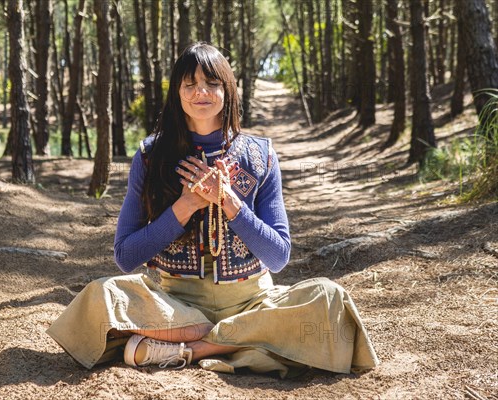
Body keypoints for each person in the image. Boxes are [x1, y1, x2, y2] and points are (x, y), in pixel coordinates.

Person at [47, 42, 379, 377]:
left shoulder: (260, 155)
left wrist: (230, 202)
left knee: (330, 298)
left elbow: (278, 257)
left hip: (253, 302)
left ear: (228, 89)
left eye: (211, 83)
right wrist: (186, 205)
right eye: (189, 84)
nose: (200, 92)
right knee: (100, 296)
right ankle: (239, 341)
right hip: (176, 306)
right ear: (177, 92)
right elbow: (125, 255)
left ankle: (190, 350)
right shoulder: (150, 156)